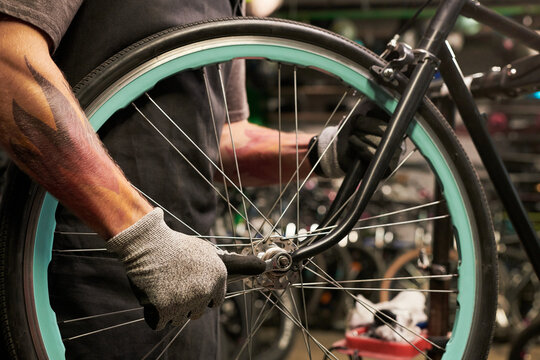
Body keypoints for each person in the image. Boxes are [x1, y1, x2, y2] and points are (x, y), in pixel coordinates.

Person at [0, 0, 396, 358]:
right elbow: (7, 63)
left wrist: (322, 152)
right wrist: (141, 238)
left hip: (194, 280)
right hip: (70, 285)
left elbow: (222, 138)